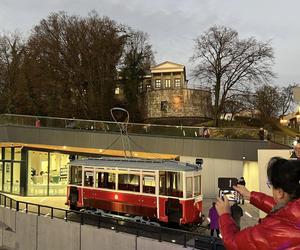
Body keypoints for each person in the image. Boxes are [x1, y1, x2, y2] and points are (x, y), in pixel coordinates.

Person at [215, 157, 300, 250]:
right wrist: (251, 196)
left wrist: (224, 215)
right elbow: (287, 213)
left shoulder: (273, 231)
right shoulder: (292, 215)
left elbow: (233, 243)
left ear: (280, 192)